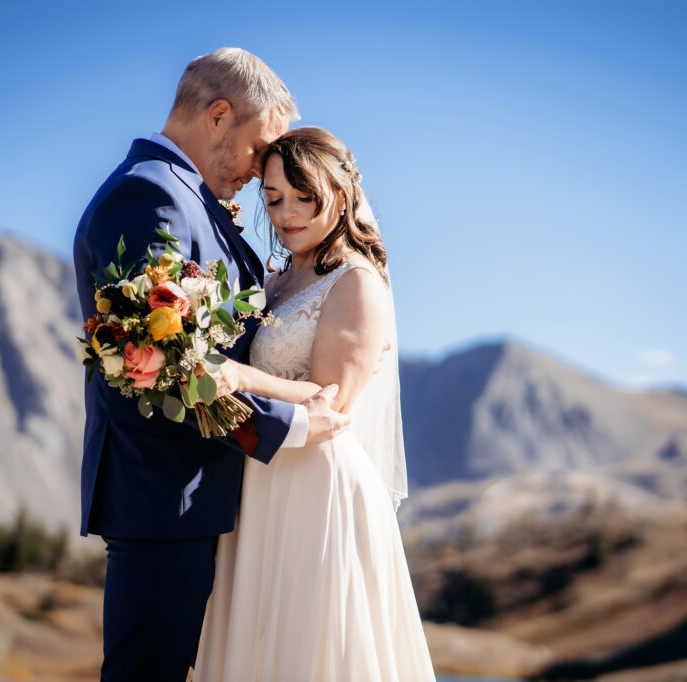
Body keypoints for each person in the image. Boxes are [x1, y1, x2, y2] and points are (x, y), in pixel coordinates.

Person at [72, 49, 349, 681]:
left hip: (198, 494)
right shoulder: (149, 195)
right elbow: (167, 362)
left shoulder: (179, 195)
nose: (260, 174)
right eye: (259, 149)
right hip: (166, 492)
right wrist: (288, 426)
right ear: (219, 115)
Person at [194, 127, 436, 681]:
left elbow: (332, 403)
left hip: (317, 484)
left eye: (305, 196)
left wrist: (234, 375)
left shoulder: (357, 282)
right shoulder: (275, 277)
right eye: (274, 198)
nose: (287, 213)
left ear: (342, 193)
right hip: (263, 475)